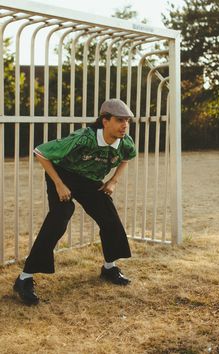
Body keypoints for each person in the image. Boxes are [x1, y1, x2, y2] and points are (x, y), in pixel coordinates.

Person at [13, 98, 136, 305]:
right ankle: (24, 279)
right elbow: (41, 152)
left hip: (89, 181)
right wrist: (59, 184)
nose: (125, 125)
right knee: (60, 215)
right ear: (105, 121)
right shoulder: (82, 138)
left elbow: (126, 158)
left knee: (109, 216)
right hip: (63, 175)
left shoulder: (124, 141)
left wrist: (113, 181)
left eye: (127, 121)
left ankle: (109, 268)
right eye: (119, 120)